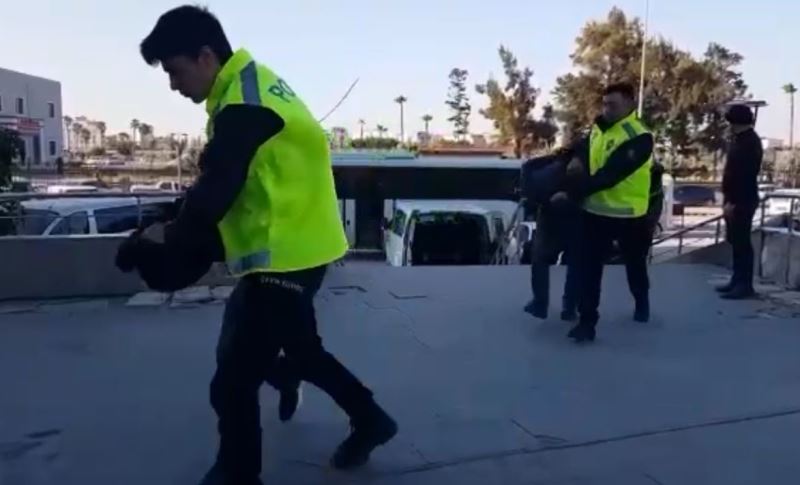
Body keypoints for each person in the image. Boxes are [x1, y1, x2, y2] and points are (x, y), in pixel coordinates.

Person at [133, 6, 397, 484]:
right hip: (300, 248)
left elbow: (215, 189)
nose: (173, 85)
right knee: (301, 350)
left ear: (206, 56)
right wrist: (173, 217)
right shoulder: (249, 86)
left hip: (285, 256)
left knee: (231, 381)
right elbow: (230, 180)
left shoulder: (243, 105)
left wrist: (165, 248)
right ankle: (368, 418)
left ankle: (238, 473)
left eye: (175, 71)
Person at [553, 83, 655, 343]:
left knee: (635, 265)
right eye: (605, 104)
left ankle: (641, 302)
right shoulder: (597, 129)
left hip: (629, 215)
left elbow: (611, 175)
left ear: (629, 104)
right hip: (595, 212)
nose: (607, 109)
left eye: (613, 104)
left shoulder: (639, 136)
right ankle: (587, 322)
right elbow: (582, 157)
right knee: (589, 269)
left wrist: (572, 194)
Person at [521, 148, 581, 321]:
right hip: (578, 214)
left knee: (540, 259)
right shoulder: (587, 160)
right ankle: (569, 307)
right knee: (576, 262)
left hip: (549, 213)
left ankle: (540, 303)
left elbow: (528, 170)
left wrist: (539, 201)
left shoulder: (546, 164)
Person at [716, 104, 763, 300]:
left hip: (742, 199)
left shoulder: (749, 142)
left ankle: (744, 285)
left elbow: (744, 174)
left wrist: (732, 201)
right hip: (735, 198)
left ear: (736, 122)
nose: (729, 126)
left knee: (742, 243)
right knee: (736, 242)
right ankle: (736, 280)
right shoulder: (740, 140)